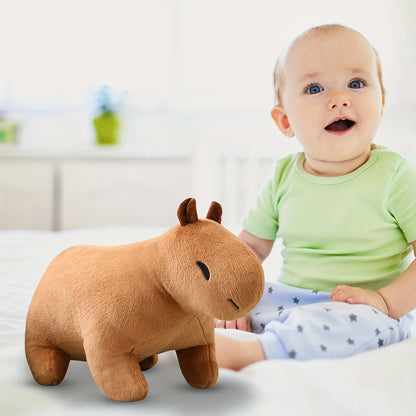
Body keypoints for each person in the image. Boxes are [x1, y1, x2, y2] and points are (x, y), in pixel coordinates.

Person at [214, 24, 416, 371]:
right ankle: (172, 334)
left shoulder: (395, 177)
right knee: (215, 300)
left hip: (365, 311)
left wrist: (385, 301)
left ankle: (255, 352)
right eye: (314, 88)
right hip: (290, 300)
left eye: (356, 83)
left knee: (348, 325)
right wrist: (231, 300)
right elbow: (248, 250)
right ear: (285, 120)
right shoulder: (283, 177)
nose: (339, 98)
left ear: (381, 101)